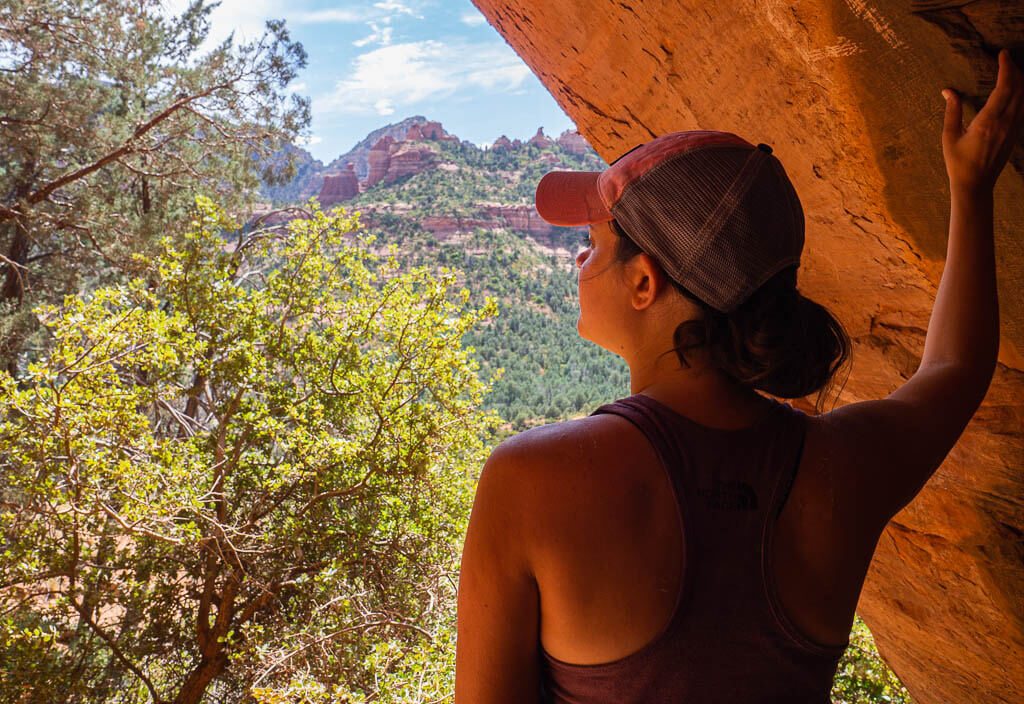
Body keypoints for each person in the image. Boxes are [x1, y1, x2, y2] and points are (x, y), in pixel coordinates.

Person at [456, 48, 1024, 703]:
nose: (580, 256)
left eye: (597, 241)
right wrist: (971, 188)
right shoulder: (842, 467)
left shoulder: (531, 480)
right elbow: (957, 367)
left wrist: (971, 187)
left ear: (645, 282)